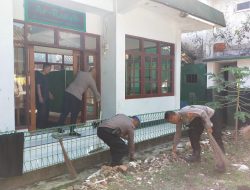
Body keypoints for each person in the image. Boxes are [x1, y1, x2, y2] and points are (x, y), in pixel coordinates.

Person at [58, 69, 101, 136]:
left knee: (65, 111)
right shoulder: (91, 80)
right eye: (95, 72)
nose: (95, 74)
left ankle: (59, 128)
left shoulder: (80, 73)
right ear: (93, 72)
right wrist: (99, 99)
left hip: (67, 92)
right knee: (74, 113)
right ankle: (72, 131)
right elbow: (95, 91)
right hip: (75, 96)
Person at [36, 63, 54, 129]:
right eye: (49, 69)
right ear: (45, 68)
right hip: (42, 97)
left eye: (50, 69)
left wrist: (50, 94)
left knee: (46, 112)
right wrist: (40, 97)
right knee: (41, 112)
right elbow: (38, 87)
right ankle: (39, 127)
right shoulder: (39, 75)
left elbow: (47, 87)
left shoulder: (46, 76)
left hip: (46, 97)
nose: (50, 70)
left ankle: (44, 126)